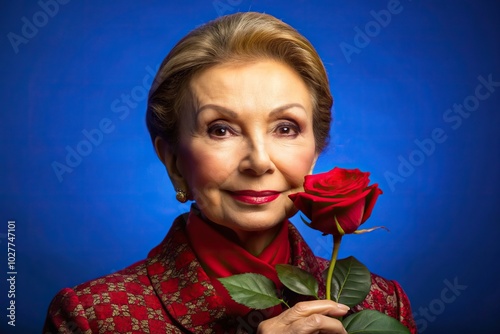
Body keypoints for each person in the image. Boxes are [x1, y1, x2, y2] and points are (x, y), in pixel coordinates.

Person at [43, 12, 416, 333]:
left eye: (285, 128)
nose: (258, 161)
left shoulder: (383, 305)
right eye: (220, 129)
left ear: (314, 153)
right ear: (172, 160)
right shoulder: (94, 317)